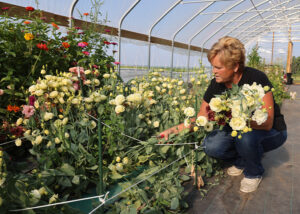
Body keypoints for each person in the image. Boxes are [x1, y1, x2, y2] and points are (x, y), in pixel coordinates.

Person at [160, 36, 287, 193]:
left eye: (218, 67)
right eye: (213, 66)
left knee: (245, 137)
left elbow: (267, 122)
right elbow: (201, 118)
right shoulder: (216, 84)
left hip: (273, 132)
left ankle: (254, 172)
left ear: (234, 66)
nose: (214, 71)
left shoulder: (256, 78)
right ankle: (243, 158)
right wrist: (174, 130)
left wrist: (233, 119)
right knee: (211, 145)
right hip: (239, 131)